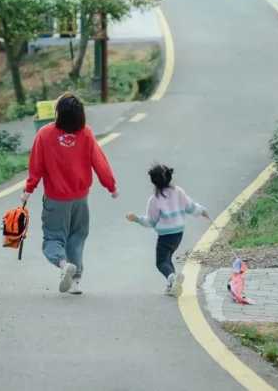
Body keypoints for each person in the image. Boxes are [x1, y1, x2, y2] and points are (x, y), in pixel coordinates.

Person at [21, 92, 118, 295]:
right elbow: (100, 162)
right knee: (77, 237)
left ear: (58, 114)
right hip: (80, 199)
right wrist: (111, 186)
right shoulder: (86, 133)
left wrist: (28, 190)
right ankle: (76, 282)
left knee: (53, 239)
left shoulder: (45, 135)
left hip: (56, 199)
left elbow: (36, 166)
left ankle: (63, 264)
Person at [126, 163, 210, 295]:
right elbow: (190, 207)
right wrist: (202, 211)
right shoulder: (178, 192)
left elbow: (151, 222)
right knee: (168, 257)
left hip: (165, 236)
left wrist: (136, 219)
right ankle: (172, 285)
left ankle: (172, 277)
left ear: (154, 182)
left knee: (160, 262)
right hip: (178, 234)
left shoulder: (154, 200)